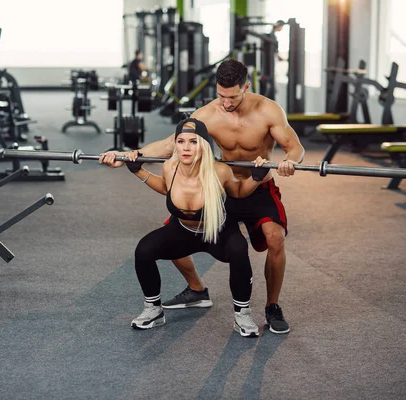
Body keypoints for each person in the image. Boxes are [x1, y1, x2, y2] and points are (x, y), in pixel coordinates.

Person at [100, 58, 305, 334]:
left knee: (275, 239)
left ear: (246, 86)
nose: (226, 102)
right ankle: (197, 290)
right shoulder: (208, 114)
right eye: (221, 95)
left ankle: (272, 307)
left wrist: (290, 161)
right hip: (221, 186)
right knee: (173, 231)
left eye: (232, 97)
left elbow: (295, 147)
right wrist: (130, 155)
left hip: (257, 186)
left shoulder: (268, 110)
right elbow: (170, 145)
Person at [121, 118, 270, 337]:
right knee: (144, 250)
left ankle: (242, 315)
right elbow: (165, 188)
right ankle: (153, 310)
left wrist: (256, 178)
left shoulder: (219, 171)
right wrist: (138, 171)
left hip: (218, 232)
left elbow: (238, 192)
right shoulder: (170, 167)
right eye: (181, 142)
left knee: (239, 251)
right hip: (184, 232)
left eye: (193, 142)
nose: (186, 148)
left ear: (204, 144)